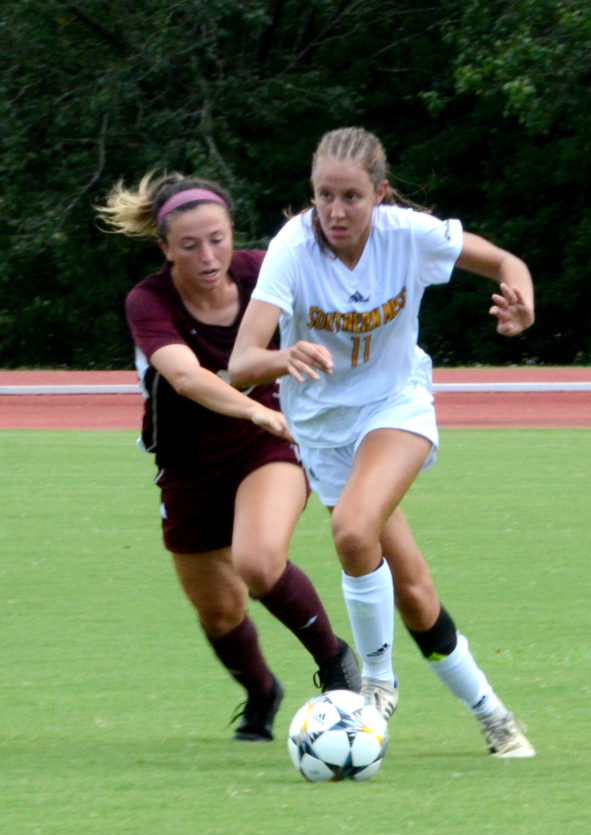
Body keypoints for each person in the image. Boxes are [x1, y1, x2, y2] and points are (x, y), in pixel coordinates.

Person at [229, 126, 536, 757]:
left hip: (396, 407)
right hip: (324, 435)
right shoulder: (293, 247)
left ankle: (374, 686)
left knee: (351, 531)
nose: (335, 213)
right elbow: (240, 363)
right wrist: (287, 356)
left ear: (381, 195)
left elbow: (506, 263)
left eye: (351, 197)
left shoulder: (409, 237)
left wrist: (521, 301)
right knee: (416, 592)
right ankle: (496, 719)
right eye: (323, 197)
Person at [95, 172, 360, 743]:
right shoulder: (149, 300)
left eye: (217, 239)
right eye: (189, 246)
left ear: (232, 233)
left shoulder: (264, 270)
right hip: (188, 463)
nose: (207, 256)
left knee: (259, 562)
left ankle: (337, 668)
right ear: (165, 249)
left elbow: (345, 297)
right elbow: (186, 377)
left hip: (266, 445)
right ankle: (262, 692)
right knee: (219, 614)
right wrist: (252, 408)